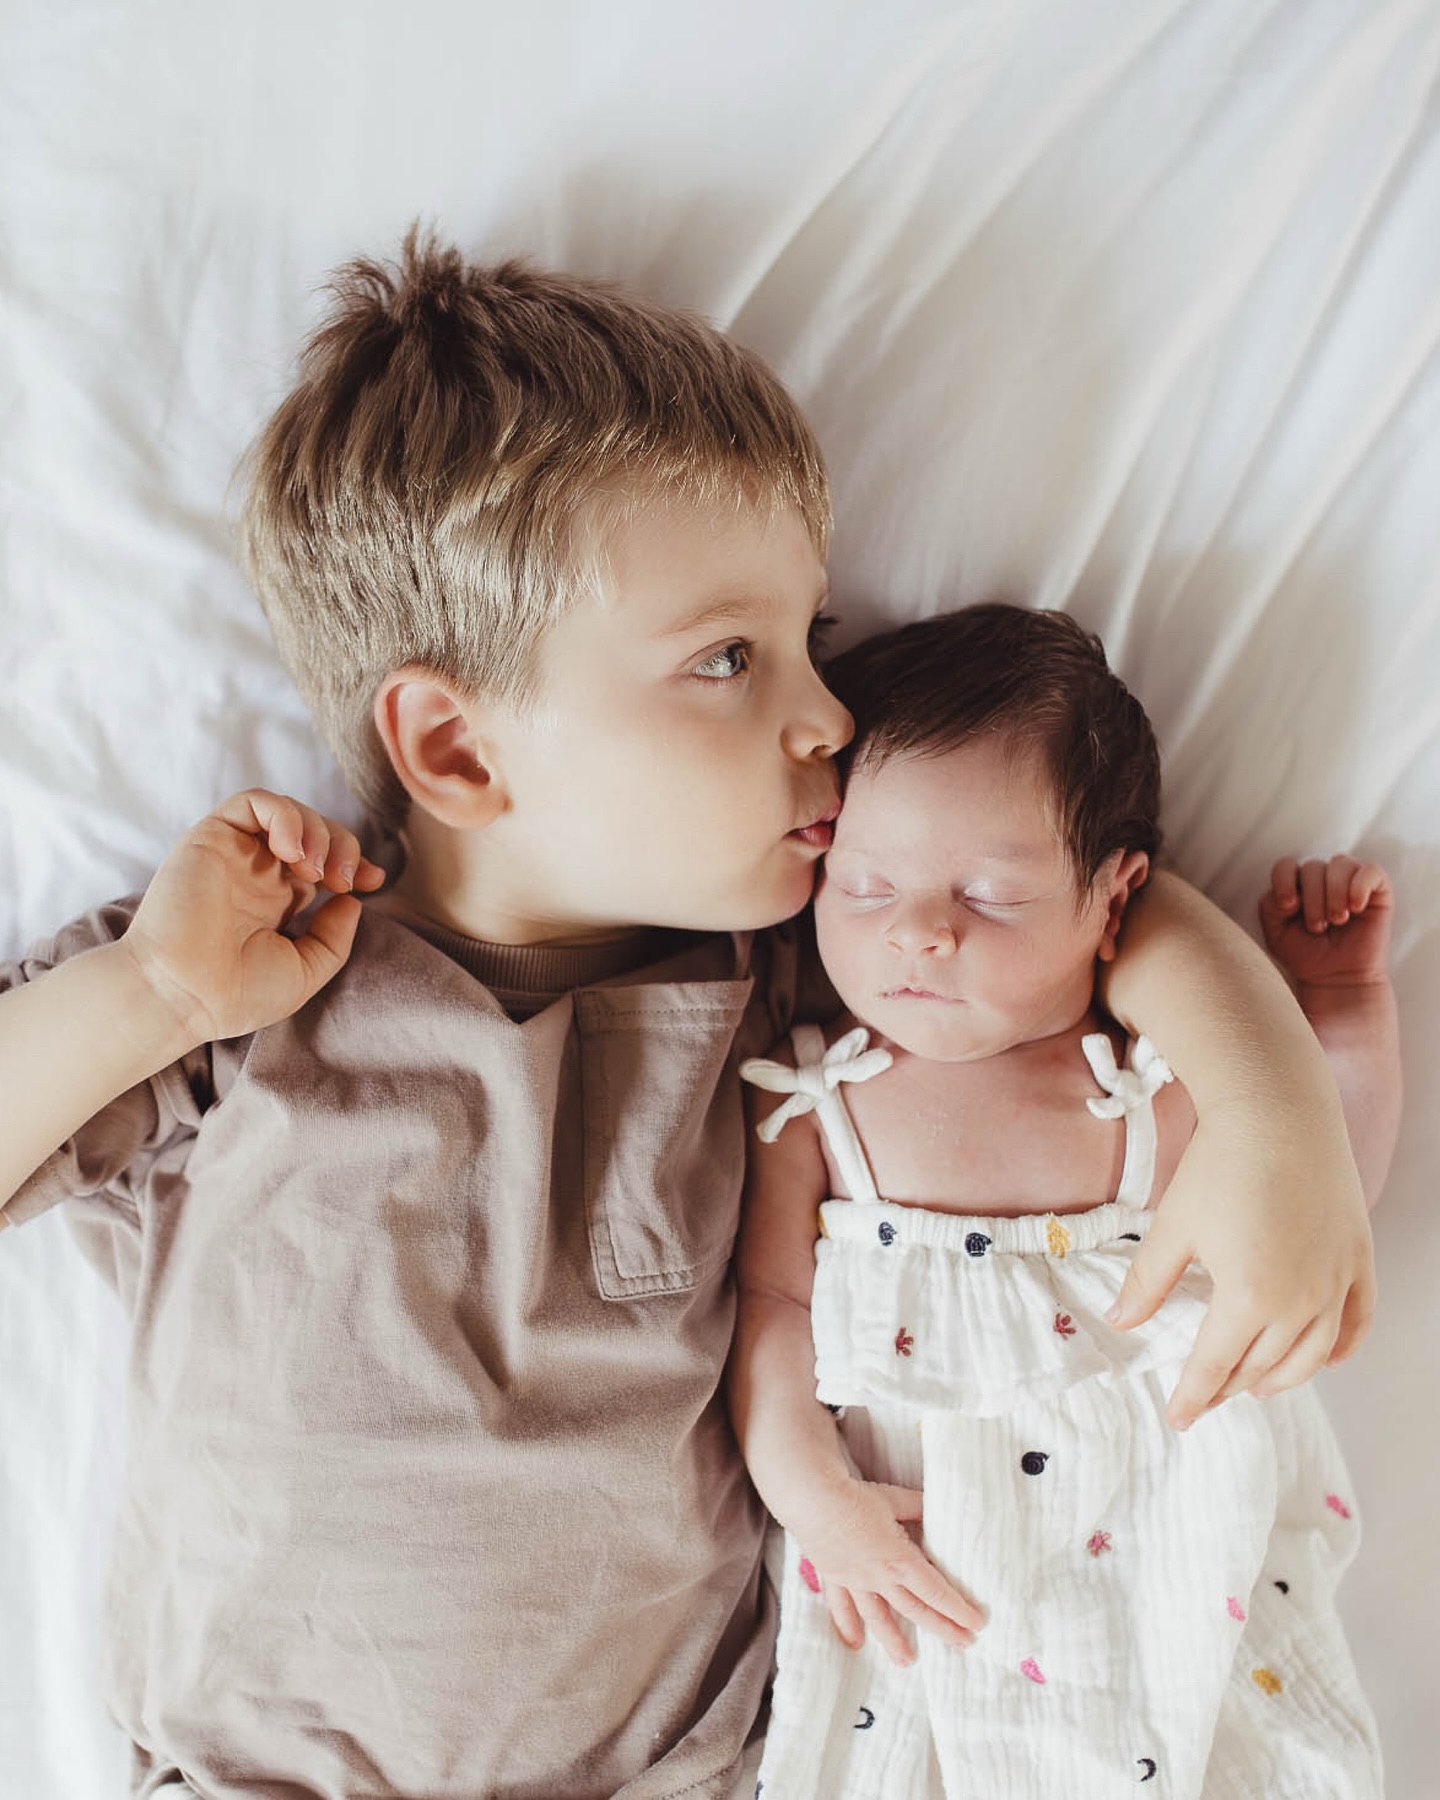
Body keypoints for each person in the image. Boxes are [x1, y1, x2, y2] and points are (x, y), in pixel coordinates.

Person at [0, 237, 1375, 1800]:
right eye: (731, 658)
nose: (831, 719)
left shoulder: (775, 974)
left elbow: (1071, 912)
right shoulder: (251, 973)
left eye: (812, 641)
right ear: (456, 748)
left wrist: (1274, 1111)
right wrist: (154, 995)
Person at [730, 604, 1397, 1800]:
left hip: (1166, 1563)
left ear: (1112, 899)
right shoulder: (815, 1104)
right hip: (922, 1573)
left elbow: (1314, 1217)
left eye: (988, 896)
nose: (920, 933)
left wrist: (1337, 1015)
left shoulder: (1151, 1095)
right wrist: (809, 1496)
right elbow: (770, 1316)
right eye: (866, 883)